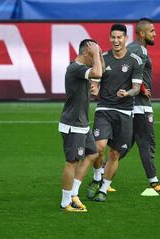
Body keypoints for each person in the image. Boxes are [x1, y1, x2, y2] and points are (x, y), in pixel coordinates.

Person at [86, 23, 143, 202]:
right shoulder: (103, 58)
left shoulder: (135, 60)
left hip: (125, 112)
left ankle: (103, 188)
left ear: (126, 38)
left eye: (119, 37)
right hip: (104, 109)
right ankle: (96, 177)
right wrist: (94, 86)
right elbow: (95, 80)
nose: (116, 40)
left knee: (115, 153)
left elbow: (136, 88)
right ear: (109, 38)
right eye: (113, 37)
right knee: (98, 147)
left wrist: (128, 93)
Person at [127, 18, 160, 192]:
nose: (155, 34)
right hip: (140, 105)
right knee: (147, 143)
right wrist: (141, 88)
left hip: (136, 104)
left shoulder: (136, 48)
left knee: (123, 145)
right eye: (152, 31)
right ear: (142, 33)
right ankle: (155, 183)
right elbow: (129, 69)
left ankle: (102, 175)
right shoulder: (138, 49)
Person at [58, 39, 103, 212]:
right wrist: (97, 57)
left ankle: (73, 193)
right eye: (94, 53)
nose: (97, 56)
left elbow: (100, 72)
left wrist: (97, 54)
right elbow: (98, 72)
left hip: (82, 124)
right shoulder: (75, 68)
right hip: (73, 125)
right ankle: (65, 203)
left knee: (92, 153)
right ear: (86, 52)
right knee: (72, 162)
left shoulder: (82, 69)